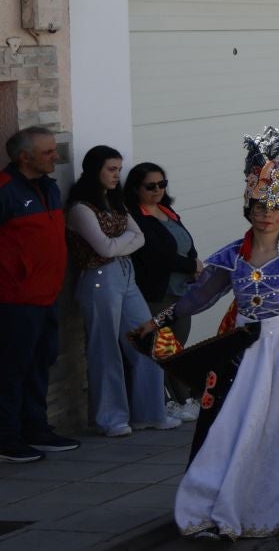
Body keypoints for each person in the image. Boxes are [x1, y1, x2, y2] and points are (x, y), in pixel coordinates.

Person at [143, 125, 279, 540]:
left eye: (274, 206)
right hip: (244, 350)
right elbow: (201, 297)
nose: (264, 212)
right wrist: (162, 318)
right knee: (237, 424)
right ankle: (235, 498)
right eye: (258, 204)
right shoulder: (230, 256)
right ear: (248, 206)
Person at [68, 145, 176, 437]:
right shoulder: (81, 208)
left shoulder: (115, 201)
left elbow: (138, 237)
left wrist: (118, 246)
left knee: (148, 338)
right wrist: (120, 244)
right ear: (95, 170)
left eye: (118, 169)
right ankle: (111, 417)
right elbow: (103, 247)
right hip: (99, 278)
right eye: (111, 169)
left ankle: (151, 412)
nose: (117, 175)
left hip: (126, 276)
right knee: (104, 347)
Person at [0, 127, 77, 463]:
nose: (55, 157)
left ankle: (36, 428)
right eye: (48, 153)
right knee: (11, 369)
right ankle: (7, 437)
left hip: (47, 295)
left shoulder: (48, 186)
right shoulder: (5, 190)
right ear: (24, 157)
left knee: (40, 364)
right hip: (15, 299)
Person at [127, 162, 202, 422]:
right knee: (162, 348)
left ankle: (184, 399)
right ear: (136, 188)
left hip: (181, 290)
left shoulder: (166, 211)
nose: (158, 190)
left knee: (178, 346)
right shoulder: (136, 216)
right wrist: (191, 265)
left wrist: (194, 263)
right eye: (151, 186)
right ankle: (168, 401)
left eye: (162, 184)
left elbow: (185, 242)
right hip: (157, 292)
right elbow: (155, 255)